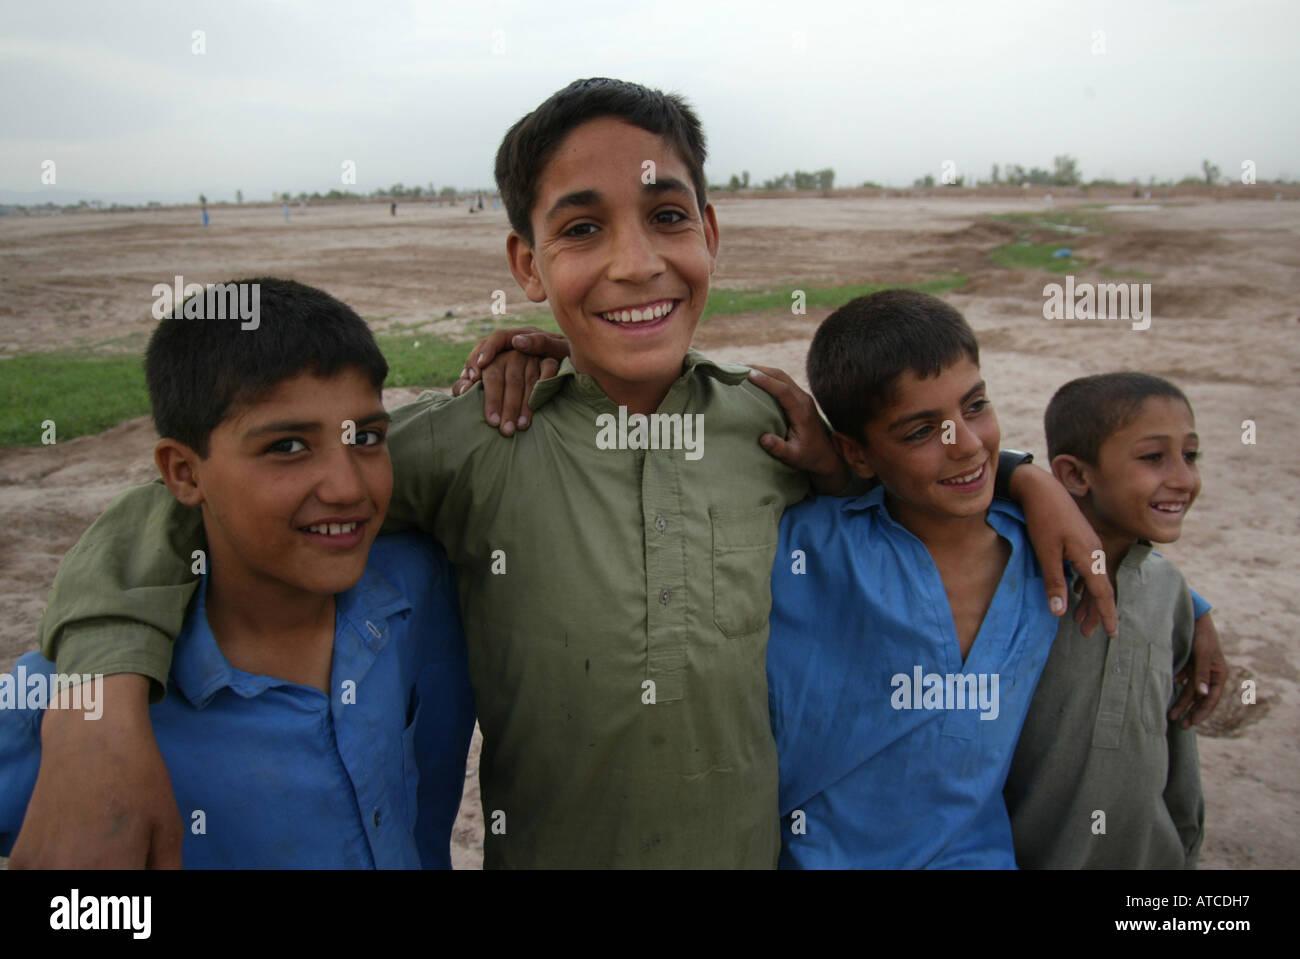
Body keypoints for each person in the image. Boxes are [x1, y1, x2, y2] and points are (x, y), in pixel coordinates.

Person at [16, 78, 1116, 870]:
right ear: (527, 266)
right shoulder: (470, 442)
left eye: (667, 217)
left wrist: (1027, 476)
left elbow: (920, 465)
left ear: (711, 233)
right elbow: (214, 495)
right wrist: (97, 706)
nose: (637, 262)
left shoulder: (775, 433)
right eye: (583, 228)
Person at [0, 278, 476, 867]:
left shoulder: (417, 588)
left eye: (368, 438)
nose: (348, 487)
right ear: (184, 472)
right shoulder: (76, 702)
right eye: (287, 448)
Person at [767, 290, 1066, 868]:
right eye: (920, 432)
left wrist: (1194, 612)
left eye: (974, 406)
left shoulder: (1047, 549)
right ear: (856, 453)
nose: (968, 445)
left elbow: (1131, 547)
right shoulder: (805, 545)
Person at [1004, 373, 1209, 868]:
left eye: (1191, 455)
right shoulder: (1014, 574)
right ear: (1074, 475)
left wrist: (1186, 847)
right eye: (1153, 457)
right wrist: (1023, 477)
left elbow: (1177, 744)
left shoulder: (1169, 592)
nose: (1184, 478)